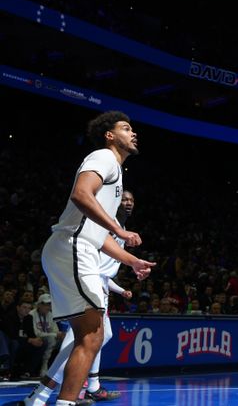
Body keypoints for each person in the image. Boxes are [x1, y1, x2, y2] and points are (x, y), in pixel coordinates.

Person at [8, 112, 155, 406]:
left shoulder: (115, 173)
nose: (133, 133)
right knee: (91, 335)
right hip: (73, 246)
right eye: (126, 128)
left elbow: (99, 236)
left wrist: (131, 261)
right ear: (109, 135)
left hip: (77, 246)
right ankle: (57, 398)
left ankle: (47, 398)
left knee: (89, 335)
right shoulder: (104, 157)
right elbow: (80, 194)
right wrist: (118, 229)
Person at [23, 190, 138, 406]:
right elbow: (92, 256)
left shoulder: (120, 229)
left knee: (101, 336)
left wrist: (120, 285)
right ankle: (41, 394)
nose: (128, 203)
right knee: (82, 339)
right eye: (123, 199)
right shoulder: (106, 223)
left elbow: (107, 266)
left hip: (98, 282)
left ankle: (88, 387)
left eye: (131, 200)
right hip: (87, 278)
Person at [27, 294, 64, 377]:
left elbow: (56, 330)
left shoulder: (50, 314)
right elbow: (35, 333)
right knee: (51, 338)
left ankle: (60, 368)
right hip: (38, 339)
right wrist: (54, 334)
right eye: (45, 304)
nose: (48, 307)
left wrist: (59, 335)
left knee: (64, 340)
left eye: (49, 304)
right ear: (39, 305)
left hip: (50, 338)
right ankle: (44, 365)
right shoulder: (32, 314)